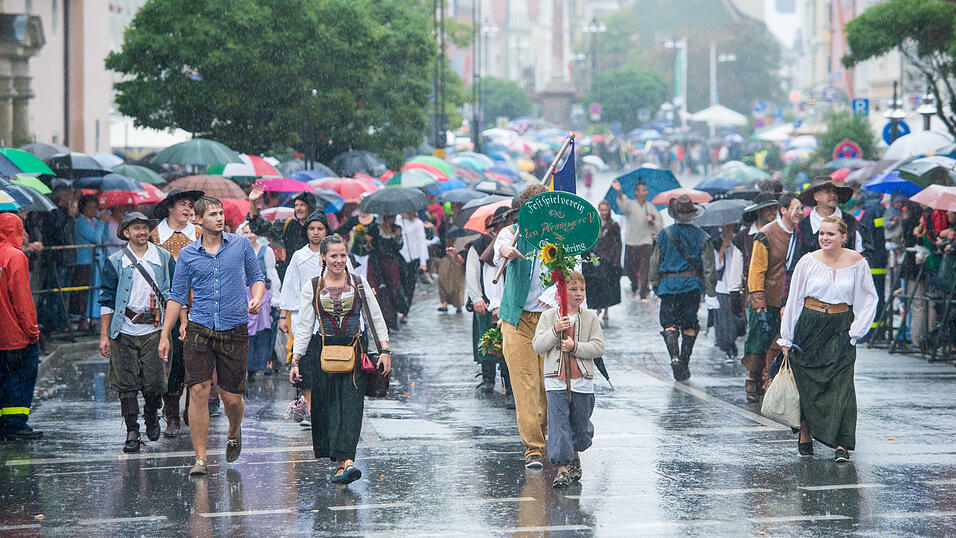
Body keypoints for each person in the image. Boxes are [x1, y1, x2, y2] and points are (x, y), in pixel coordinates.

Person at [159, 196, 265, 477]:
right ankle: (201, 458)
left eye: (221, 213)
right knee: (198, 391)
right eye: (213, 214)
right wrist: (165, 334)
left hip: (234, 329)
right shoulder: (188, 255)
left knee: (232, 399)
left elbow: (257, 277)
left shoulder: (241, 245)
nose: (220, 218)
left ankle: (233, 429)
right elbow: (176, 296)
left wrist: (256, 298)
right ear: (199, 220)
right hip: (199, 328)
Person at [290, 235, 391, 484]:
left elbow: (375, 318)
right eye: (333, 256)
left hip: (354, 350)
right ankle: (339, 464)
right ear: (322, 257)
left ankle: (347, 462)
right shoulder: (312, 286)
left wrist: (385, 351)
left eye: (342, 255)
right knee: (328, 408)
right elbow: (303, 326)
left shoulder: (358, 283)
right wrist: (295, 360)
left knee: (351, 407)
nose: (338, 260)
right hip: (322, 352)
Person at [779, 216, 878, 462]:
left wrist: (856, 330)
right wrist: (787, 337)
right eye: (822, 233)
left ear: (843, 237)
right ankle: (805, 430)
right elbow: (795, 299)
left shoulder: (857, 262)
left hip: (841, 325)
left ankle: (842, 443)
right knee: (808, 382)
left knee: (842, 384)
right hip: (810, 325)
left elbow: (869, 298)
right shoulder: (807, 261)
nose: (824, 238)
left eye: (830, 234)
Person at [98, 212, 176, 452]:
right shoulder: (115, 261)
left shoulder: (163, 258)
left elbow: (175, 294)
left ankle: (152, 413)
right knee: (126, 384)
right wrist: (104, 335)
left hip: (156, 329)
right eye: (136, 228)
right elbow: (107, 299)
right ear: (126, 233)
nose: (142, 232)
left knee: (155, 382)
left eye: (145, 228)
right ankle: (132, 429)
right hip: (123, 329)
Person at [494, 183, 555, 468]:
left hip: (548, 320)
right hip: (516, 320)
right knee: (524, 384)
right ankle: (533, 447)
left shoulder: (558, 235)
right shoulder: (512, 233)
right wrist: (507, 250)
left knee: (547, 383)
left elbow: (574, 271)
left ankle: (548, 435)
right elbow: (500, 248)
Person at [531, 271, 605, 489]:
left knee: (580, 426)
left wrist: (576, 347)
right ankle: (562, 468)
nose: (578, 294)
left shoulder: (590, 318)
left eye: (581, 289)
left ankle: (574, 451)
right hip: (556, 382)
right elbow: (538, 345)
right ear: (561, 291)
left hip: (582, 381)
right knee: (558, 425)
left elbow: (599, 347)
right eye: (573, 289)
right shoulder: (548, 317)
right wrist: (555, 331)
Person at [149, 188, 203, 437]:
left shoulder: (201, 234)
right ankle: (170, 414)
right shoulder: (154, 237)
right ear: (170, 207)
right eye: (183, 203)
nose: (188, 208)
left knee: (198, 360)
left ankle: (193, 408)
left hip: (200, 306)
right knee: (171, 360)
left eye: (191, 205)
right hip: (165, 308)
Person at [649, 195, 717, 381]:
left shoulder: (663, 235)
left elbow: (654, 262)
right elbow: (709, 267)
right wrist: (710, 292)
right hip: (691, 287)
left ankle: (675, 357)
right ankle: (684, 360)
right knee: (690, 323)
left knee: (669, 323)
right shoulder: (703, 237)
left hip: (668, 286)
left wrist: (655, 285)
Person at [744, 192, 800, 402]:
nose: (800, 212)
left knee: (779, 344)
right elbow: (756, 270)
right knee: (757, 344)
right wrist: (758, 301)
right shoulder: (766, 234)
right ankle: (753, 380)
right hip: (766, 299)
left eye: (802, 208)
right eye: (796, 208)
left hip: (788, 300)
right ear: (784, 210)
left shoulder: (800, 233)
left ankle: (772, 383)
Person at [277, 210, 329, 417]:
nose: (316, 233)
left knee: (327, 361)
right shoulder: (299, 256)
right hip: (304, 316)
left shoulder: (335, 254)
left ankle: (323, 407)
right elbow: (289, 287)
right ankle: (307, 407)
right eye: (311, 228)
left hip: (331, 318)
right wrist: (284, 315)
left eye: (320, 229)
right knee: (305, 362)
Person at [0, 213, 42, 441]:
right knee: (21, 378)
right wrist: (32, 330)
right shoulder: (15, 257)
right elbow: (22, 300)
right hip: (16, 335)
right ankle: (15, 424)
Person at [466, 206, 510, 397]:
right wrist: (476, 298)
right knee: (487, 340)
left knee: (507, 343)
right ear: (500, 224)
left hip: (507, 300)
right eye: (508, 223)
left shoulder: (513, 241)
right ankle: (488, 378)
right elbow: (472, 272)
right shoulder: (480, 243)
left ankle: (509, 384)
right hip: (485, 300)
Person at [236, 222, 281, 381]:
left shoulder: (266, 251)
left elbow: (272, 273)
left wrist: (276, 297)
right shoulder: (237, 250)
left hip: (261, 294)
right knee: (242, 331)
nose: (249, 235)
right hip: (242, 293)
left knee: (261, 332)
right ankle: (243, 365)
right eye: (246, 232)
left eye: (252, 231)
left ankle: (257, 365)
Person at [247, 189, 315, 280]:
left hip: (314, 275)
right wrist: (252, 202)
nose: (298, 208)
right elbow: (260, 227)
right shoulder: (289, 225)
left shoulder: (320, 226)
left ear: (310, 207)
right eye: (296, 205)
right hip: (293, 277)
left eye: (302, 205)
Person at [611, 180, 662, 302]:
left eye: (645, 190)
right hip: (631, 242)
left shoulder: (650, 207)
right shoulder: (631, 205)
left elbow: (659, 225)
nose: (644, 193)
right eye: (642, 190)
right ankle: (634, 285)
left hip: (645, 242)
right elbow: (623, 204)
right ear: (636, 192)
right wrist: (619, 191)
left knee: (645, 269)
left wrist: (652, 221)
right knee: (629, 269)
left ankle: (643, 294)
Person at [39, 185, 76, 333]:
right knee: (56, 293)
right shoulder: (54, 213)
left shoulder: (64, 214)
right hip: (57, 258)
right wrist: (68, 217)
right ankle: (54, 324)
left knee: (64, 293)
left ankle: (62, 322)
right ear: (62, 197)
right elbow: (59, 234)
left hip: (67, 258)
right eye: (68, 195)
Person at [582, 200, 622, 324]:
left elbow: (618, 243)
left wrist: (616, 260)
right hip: (595, 258)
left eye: (606, 210)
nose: (604, 212)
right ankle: (598, 307)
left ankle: (606, 310)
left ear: (609, 210)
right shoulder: (594, 224)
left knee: (607, 285)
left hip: (608, 259)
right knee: (596, 284)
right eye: (602, 210)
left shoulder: (613, 225)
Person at [73, 194, 110, 329]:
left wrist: (104, 224)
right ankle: (83, 318)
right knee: (85, 292)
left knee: (96, 290)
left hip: (97, 260)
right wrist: (101, 222)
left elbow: (104, 238)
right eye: (91, 208)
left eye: (96, 207)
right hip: (85, 261)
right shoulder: (81, 222)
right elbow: (95, 237)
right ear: (84, 208)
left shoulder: (95, 220)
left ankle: (93, 316)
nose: (94, 211)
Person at [366, 214, 405, 331]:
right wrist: (368, 241)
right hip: (377, 264)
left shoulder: (396, 228)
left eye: (393, 217)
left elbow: (398, 247)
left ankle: (392, 320)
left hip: (391, 264)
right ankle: (381, 322)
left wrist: (398, 237)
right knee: (379, 291)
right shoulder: (374, 228)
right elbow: (370, 248)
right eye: (389, 217)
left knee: (393, 290)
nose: (391, 219)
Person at [712, 224, 742, 362]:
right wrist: (723, 247)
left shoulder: (739, 241)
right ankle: (729, 347)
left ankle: (732, 342)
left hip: (736, 287)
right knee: (725, 321)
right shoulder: (716, 242)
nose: (727, 229)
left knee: (737, 320)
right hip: (722, 287)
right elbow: (717, 266)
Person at [397, 212, 431, 323]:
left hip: (414, 259)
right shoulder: (397, 219)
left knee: (410, 287)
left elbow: (422, 242)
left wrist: (423, 262)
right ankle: (399, 307)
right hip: (400, 257)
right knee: (399, 286)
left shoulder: (417, 223)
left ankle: (405, 313)